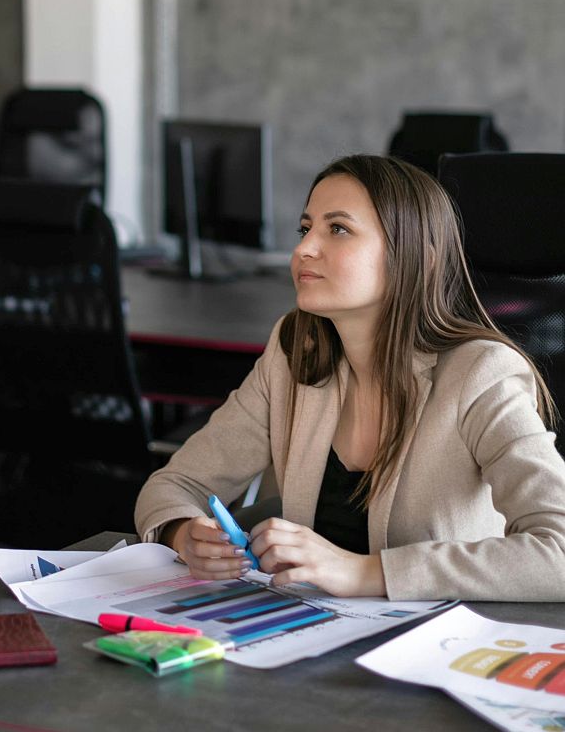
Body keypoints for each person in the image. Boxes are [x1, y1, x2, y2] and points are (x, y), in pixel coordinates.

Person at [135, 154, 565, 601]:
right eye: (306, 229)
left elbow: (559, 553)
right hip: (310, 637)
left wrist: (362, 572)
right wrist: (184, 535)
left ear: (418, 257)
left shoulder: (480, 374)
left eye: (337, 229)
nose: (303, 249)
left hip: (438, 649)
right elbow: (175, 485)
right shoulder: (295, 353)